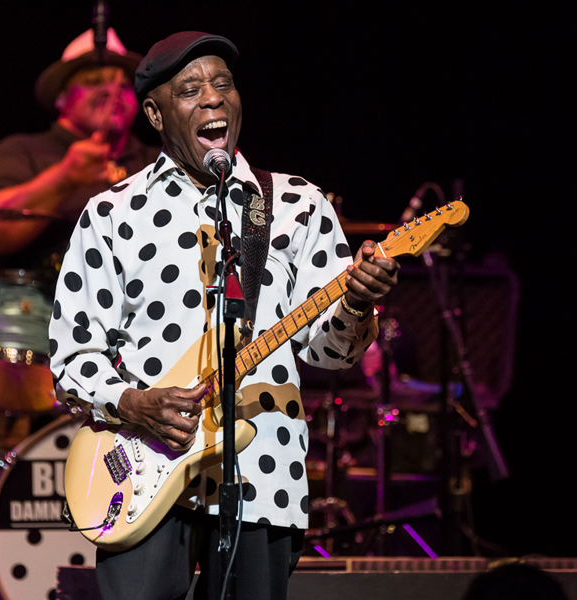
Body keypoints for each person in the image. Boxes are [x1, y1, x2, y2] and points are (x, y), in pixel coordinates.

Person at [48, 32, 399, 600]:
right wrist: (136, 404)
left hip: (263, 475)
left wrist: (357, 302)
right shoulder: (111, 213)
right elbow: (71, 360)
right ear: (157, 114)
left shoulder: (296, 204)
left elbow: (330, 353)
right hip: (142, 472)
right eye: (190, 90)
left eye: (223, 84)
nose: (213, 99)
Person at [0, 28, 159, 271]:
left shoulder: (159, 161)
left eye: (122, 85)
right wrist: (65, 177)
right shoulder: (21, 151)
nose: (108, 90)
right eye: (92, 82)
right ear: (61, 97)